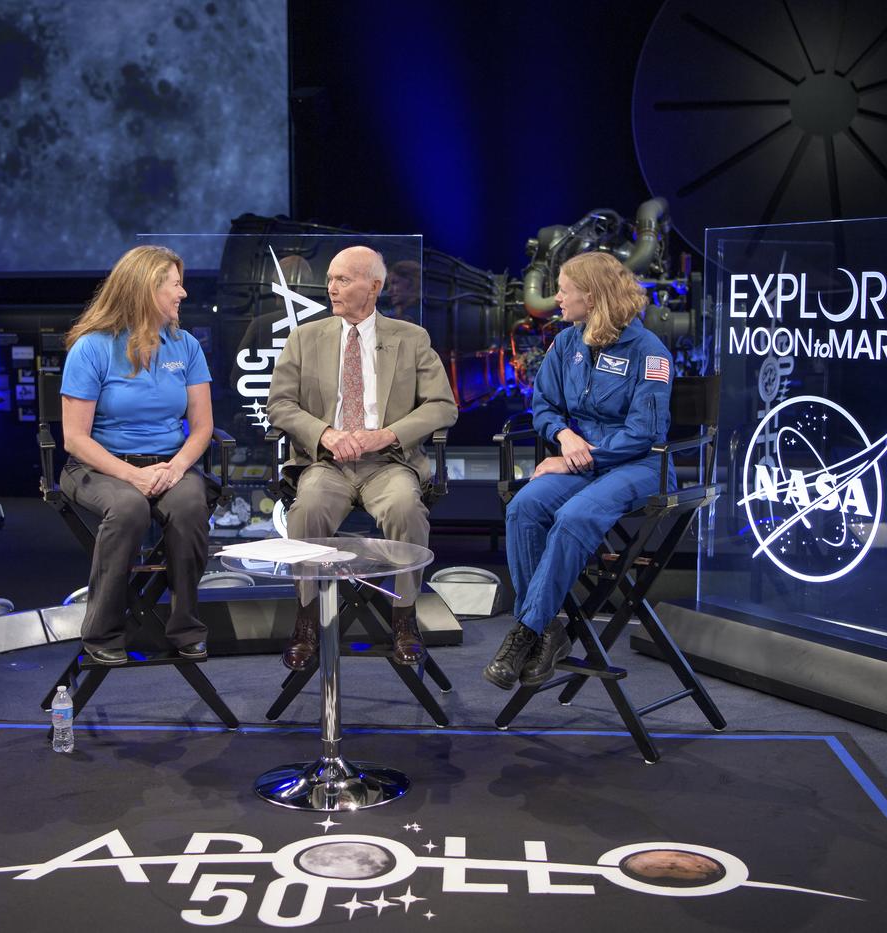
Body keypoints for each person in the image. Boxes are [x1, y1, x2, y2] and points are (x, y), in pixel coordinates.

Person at [483, 251, 673, 689]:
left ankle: (525, 632)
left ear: (592, 295)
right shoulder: (567, 342)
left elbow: (644, 433)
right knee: (524, 507)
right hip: (581, 459)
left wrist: (574, 457)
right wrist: (563, 437)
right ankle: (549, 632)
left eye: (564, 290)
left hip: (638, 465)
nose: (555, 298)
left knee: (574, 517)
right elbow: (544, 405)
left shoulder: (649, 352)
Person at [268, 245, 458, 670]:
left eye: (342, 280)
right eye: (330, 279)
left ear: (374, 287)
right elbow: (279, 404)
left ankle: (404, 617)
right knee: (308, 509)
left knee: (407, 508)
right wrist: (327, 433)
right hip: (326, 463)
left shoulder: (411, 338)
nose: (331, 288)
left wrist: (386, 435)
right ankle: (306, 619)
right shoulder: (305, 338)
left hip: (388, 463)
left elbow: (443, 406)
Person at [59, 245, 214, 666]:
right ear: (146, 290)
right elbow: (75, 439)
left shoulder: (186, 347)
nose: (183, 293)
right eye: (175, 285)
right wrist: (133, 476)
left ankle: (185, 626)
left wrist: (176, 467)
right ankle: (102, 630)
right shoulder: (91, 348)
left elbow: (202, 429)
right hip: (98, 465)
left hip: (168, 463)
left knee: (189, 506)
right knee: (129, 510)